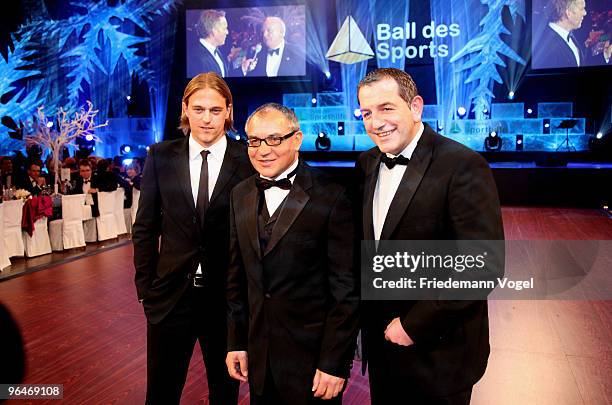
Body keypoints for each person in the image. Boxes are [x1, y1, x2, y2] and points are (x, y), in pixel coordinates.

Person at [355, 68, 504, 405]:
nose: (376, 122)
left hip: (440, 351)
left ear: (416, 107)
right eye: (366, 112)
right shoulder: (366, 163)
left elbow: (482, 265)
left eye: (386, 108)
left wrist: (412, 325)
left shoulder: (462, 165)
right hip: (381, 347)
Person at [132, 72, 254, 405]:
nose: (206, 119)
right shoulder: (160, 156)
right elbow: (145, 226)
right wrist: (146, 288)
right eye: (198, 109)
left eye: (215, 110)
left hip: (226, 300)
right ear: (185, 109)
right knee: (160, 392)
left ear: (228, 111)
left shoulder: (247, 160)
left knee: (224, 392)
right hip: (170, 297)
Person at [225, 103, 359, 405]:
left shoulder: (332, 195)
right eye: (255, 141)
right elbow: (236, 278)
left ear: (296, 139)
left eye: (274, 139)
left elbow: (346, 290)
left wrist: (334, 362)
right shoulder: (240, 194)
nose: (263, 150)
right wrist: (237, 341)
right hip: (259, 360)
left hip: (313, 364)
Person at [533, 0, 587, 68]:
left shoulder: (569, 34)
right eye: (581, 8)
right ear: (568, 13)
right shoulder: (546, 46)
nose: (585, 13)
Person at [187, 9, 229, 78]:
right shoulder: (196, 59)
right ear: (214, 31)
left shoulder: (216, 51)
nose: (227, 32)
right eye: (224, 28)